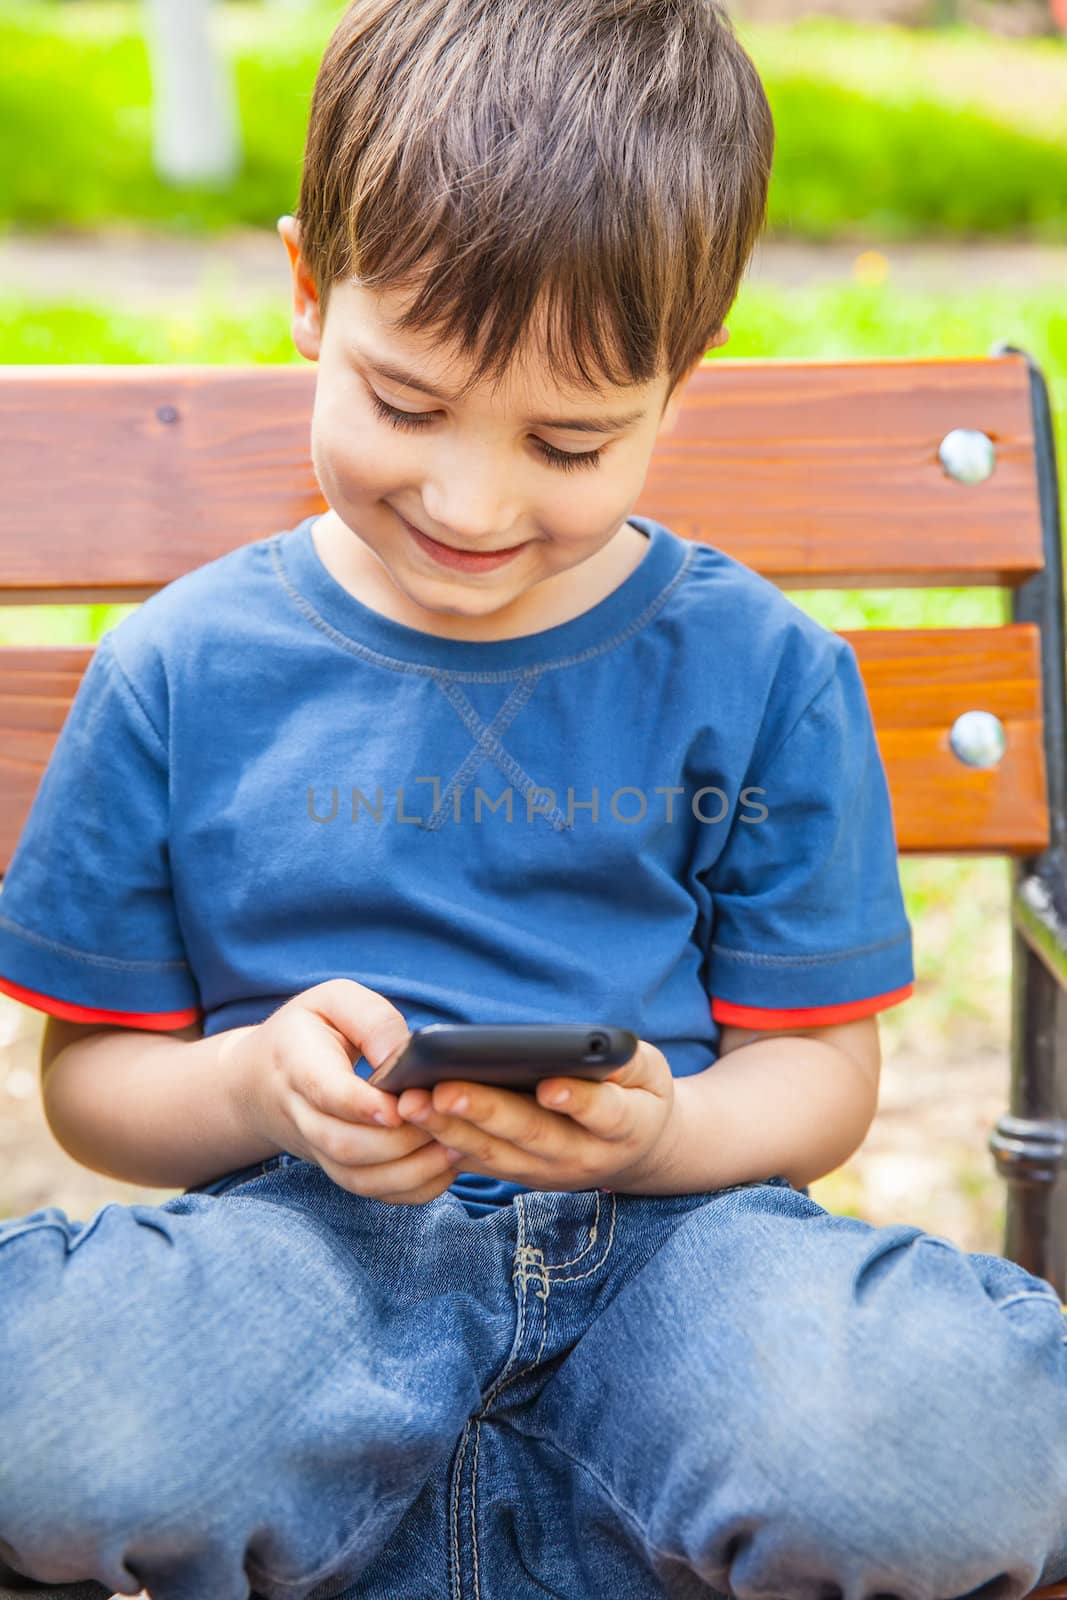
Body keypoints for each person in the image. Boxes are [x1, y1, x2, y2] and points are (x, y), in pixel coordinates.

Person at [1, 2, 1066, 1597]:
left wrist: (664, 1130)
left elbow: (823, 1079)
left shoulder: (763, 669)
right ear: (308, 292)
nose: (471, 501)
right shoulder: (177, 666)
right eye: (407, 403)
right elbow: (91, 1082)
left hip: (679, 1269)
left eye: (570, 439)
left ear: (679, 379)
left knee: (942, 1446)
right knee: (52, 1417)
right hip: (302, 1265)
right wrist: (258, 1097)